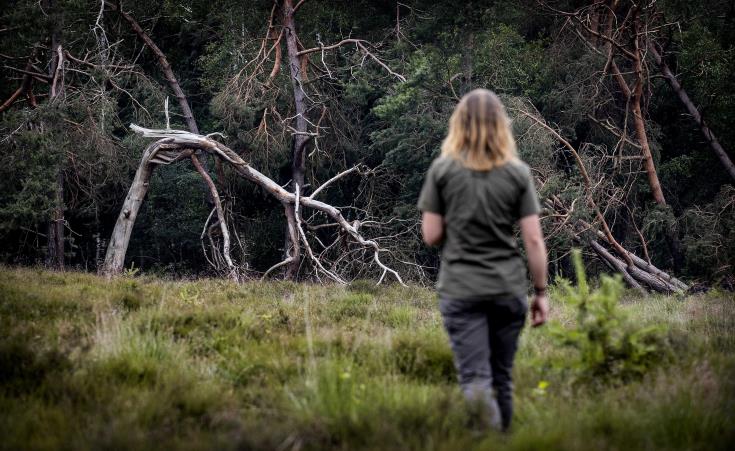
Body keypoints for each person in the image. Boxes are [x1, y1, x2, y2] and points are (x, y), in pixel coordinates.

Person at [417, 88, 549, 432]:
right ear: (501, 126)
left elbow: (430, 235)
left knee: (475, 378)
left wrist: (459, 224)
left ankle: (488, 441)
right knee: (502, 379)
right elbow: (533, 239)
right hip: (507, 289)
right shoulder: (517, 173)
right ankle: (501, 438)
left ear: (458, 125)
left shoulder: (443, 170)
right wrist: (541, 293)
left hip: (461, 290)